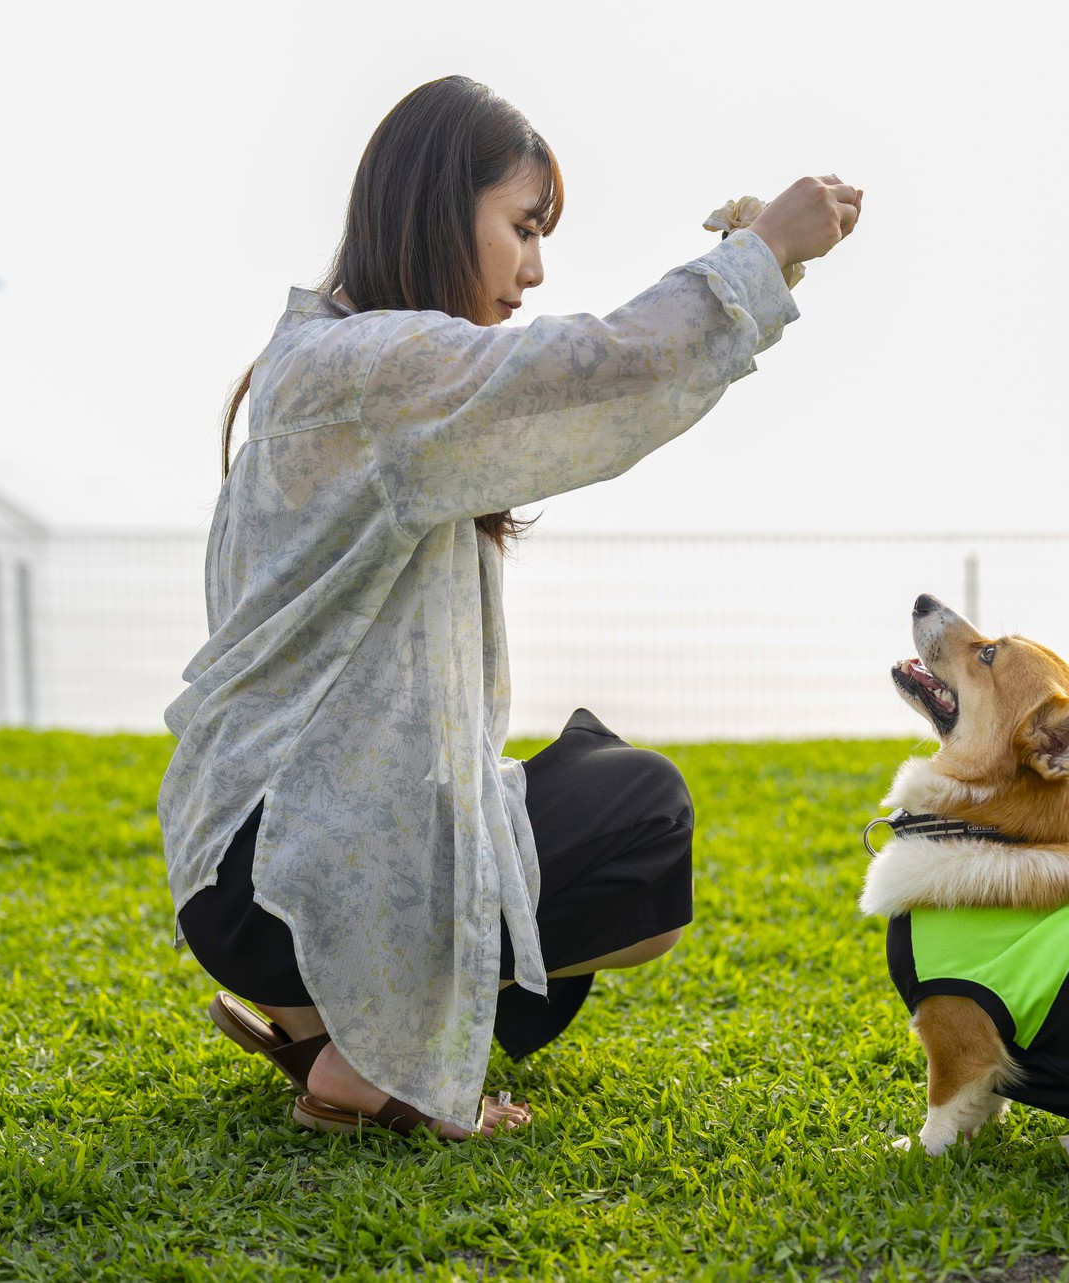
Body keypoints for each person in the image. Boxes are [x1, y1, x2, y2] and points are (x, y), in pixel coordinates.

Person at [158, 75, 860, 1140]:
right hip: (282, 865)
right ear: (443, 211)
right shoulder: (371, 367)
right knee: (641, 815)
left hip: (244, 857)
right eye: (522, 228)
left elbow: (564, 380)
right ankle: (366, 1062)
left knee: (582, 767)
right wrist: (759, 253)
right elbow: (598, 372)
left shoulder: (331, 358)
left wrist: (759, 261)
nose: (534, 267)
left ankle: (314, 1019)